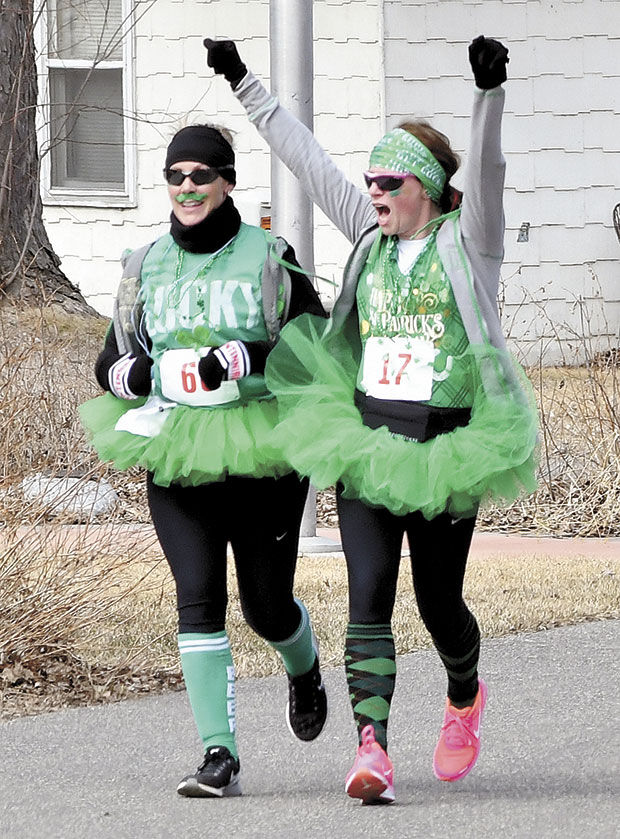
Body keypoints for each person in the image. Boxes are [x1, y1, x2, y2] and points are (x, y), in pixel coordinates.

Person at [204, 36, 539, 805]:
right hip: (365, 435)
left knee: (438, 603)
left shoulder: (470, 241)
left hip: (449, 443)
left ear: (422, 187)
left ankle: (463, 693)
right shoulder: (368, 235)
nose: (374, 194)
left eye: (388, 183)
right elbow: (308, 160)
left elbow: (485, 175)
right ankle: (372, 746)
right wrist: (244, 81)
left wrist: (489, 96)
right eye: (371, 184)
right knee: (369, 593)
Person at [80, 123, 328, 798]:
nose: (187, 187)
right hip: (178, 445)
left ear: (226, 181)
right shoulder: (144, 263)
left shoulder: (269, 255)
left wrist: (251, 357)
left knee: (265, 606)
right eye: (175, 176)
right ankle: (219, 755)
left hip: (262, 447)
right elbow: (111, 359)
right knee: (198, 599)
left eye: (200, 174)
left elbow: (317, 343)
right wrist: (129, 374)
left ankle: (302, 666)